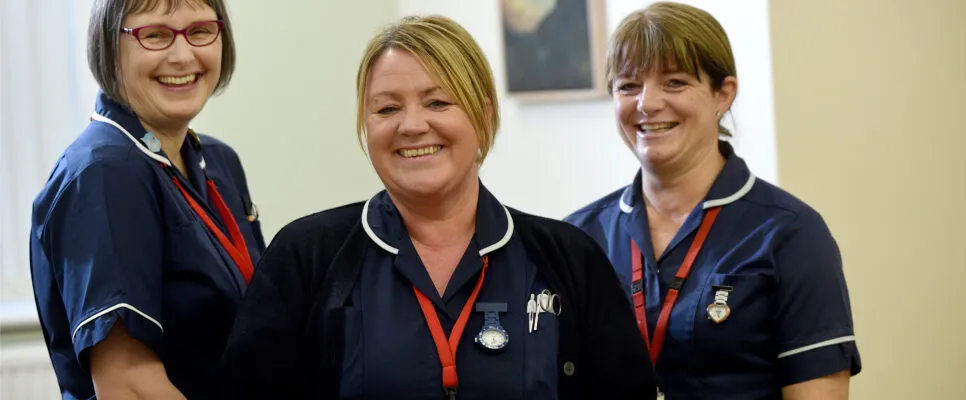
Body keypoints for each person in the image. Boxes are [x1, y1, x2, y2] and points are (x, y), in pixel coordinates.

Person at [218, 14, 657, 400]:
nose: (412, 125)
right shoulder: (307, 257)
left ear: (483, 115)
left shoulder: (569, 259)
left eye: (437, 102)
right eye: (387, 108)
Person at [564, 2, 862, 399]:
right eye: (628, 86)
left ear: (723, 94)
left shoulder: (790, 234)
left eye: (674, 83)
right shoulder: (577, 239)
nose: (647, 103)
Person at [28, 0, 264, 398]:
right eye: (154, 35)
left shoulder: (217, 162)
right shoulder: (103, 173)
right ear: (109, 46)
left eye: (200, 31)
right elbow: (128, 385)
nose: (182, 54)